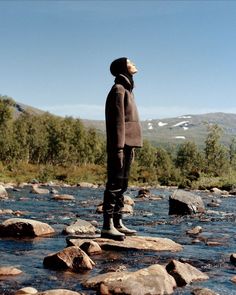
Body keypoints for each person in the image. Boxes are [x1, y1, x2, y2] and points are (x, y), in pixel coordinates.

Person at [101, 57, 143, 241]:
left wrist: (130, 147)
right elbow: (116, 123)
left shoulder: (127, 90)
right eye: (130, 61)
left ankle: (118, 223)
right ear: (122, 68)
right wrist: (118, 148)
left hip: (128, 145)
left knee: (123, 186)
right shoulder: (118, 90)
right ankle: (107, 226)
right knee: (114, 185)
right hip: (119, 146)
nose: (134, 63)